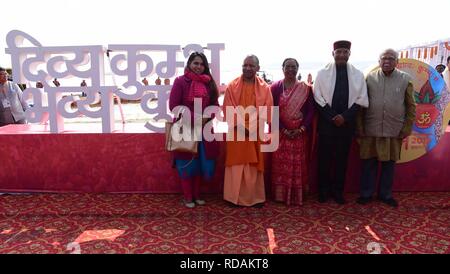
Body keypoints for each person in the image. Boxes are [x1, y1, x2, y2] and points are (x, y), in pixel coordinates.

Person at [356, 49, 416, 208]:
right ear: (379, 61)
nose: (387, 61)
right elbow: (361, 105)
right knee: (369, 163)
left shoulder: (405, 79)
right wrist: (360, 126)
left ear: (397, 61)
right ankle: (366, 194)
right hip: (371, 128)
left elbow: (411, 107)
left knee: (389, 164)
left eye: (391, 58)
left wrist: (407, 127)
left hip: (393, 129)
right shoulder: (369, 78)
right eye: (384, 58)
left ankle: (385, 194)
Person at [313, 40, 369, 204]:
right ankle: (323, 191)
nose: (342, 55)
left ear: (349, 54)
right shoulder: (322, 73)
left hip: (346, 125)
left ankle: (338, 191)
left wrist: (344, 117)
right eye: (339, 52)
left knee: (341, 161)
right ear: (333, 54)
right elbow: (317, 97)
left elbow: (361, 99)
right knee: (324, 159)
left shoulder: (358, 75)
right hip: (327, 125)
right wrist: (332, 116)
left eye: (345, 52)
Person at [168, 52, 220, 208]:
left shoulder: (209, 83)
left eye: (202, 64)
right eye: (195, 63)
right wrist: (195, 119)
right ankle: (188, 197)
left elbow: (215, 105)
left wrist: (205, 118)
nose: (198, 66)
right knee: (186, 163)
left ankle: (197, 195)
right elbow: (174, 106)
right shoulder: (180, 82)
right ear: (189, 64)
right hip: (185, 128)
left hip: (204, 129)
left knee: (201, 163)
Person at [223, 55, 273, 207]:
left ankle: (255, 198)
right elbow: (228, 108)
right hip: (237, 131)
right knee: (236, 165)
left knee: (253, 165)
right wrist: (240, 126)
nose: (247, 68)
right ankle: (233, 198)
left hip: (255, 131)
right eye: (245, 65)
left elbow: (268, 110)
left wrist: (252, 127)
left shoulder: (265, 88)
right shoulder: (232, 86)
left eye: (251, 66)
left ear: (258, 68)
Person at [270, 58, 314, 205]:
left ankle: (297, 195)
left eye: (293, 67)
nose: (290, 69)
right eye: (287, 66)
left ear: (298, 69)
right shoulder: (276, 87)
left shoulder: (305, 88)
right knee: (281, 165)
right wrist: (283, 129)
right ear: (282, 68)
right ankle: (281, 196)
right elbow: (272, 111)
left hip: (299, 134)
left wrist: (301, 129)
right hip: (282, 134)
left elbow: (310, 111)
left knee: (297, 165)